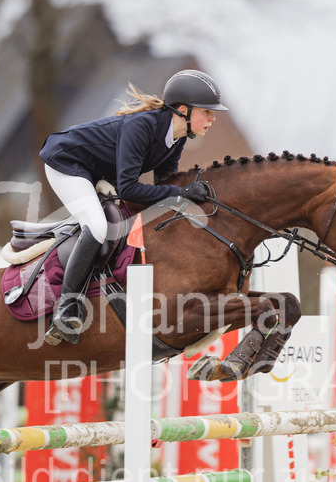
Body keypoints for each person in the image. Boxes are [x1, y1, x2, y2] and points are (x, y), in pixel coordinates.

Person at [38, 69, 227, 345]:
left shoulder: (177, 136)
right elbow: (129, 188)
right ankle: (66, 309)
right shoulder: (142, 126)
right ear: (184, 110)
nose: (212, 118)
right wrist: (180, 192)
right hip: (66, 162)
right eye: (207, 112)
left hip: (96, 172)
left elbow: (165, 182)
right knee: (98, 227)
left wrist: (194, 192)